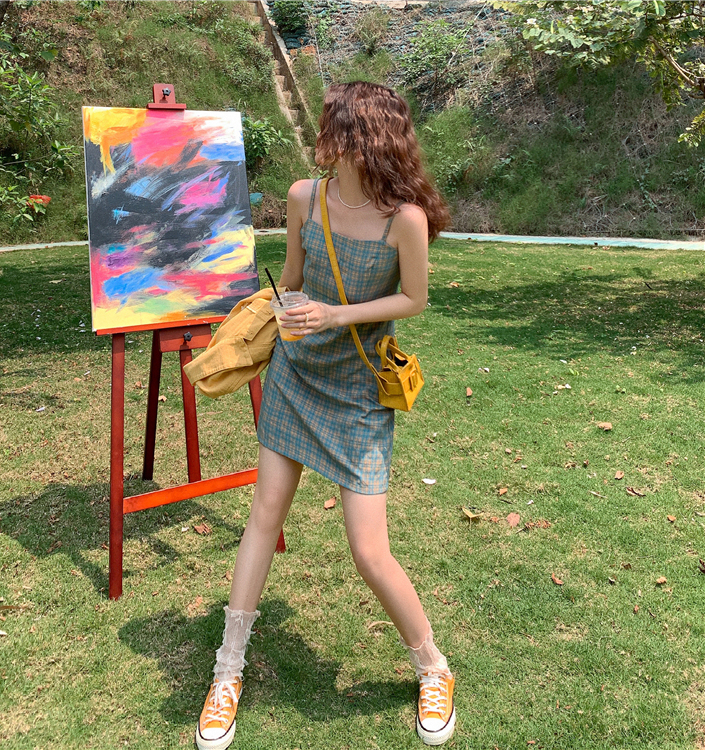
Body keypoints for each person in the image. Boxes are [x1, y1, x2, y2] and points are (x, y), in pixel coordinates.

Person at [195, 82, 454, 750]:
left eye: (335, 129)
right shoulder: (304, 197)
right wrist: (279, 310)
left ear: (366, 139)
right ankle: (226, 673)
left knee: (369, 550)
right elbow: (292, 276)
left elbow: (414, 299)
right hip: (296, 377)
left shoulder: (405, 219)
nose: (324, 141)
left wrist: (336, 315)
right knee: (263, 518)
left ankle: (433, 668)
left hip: (359, 389)